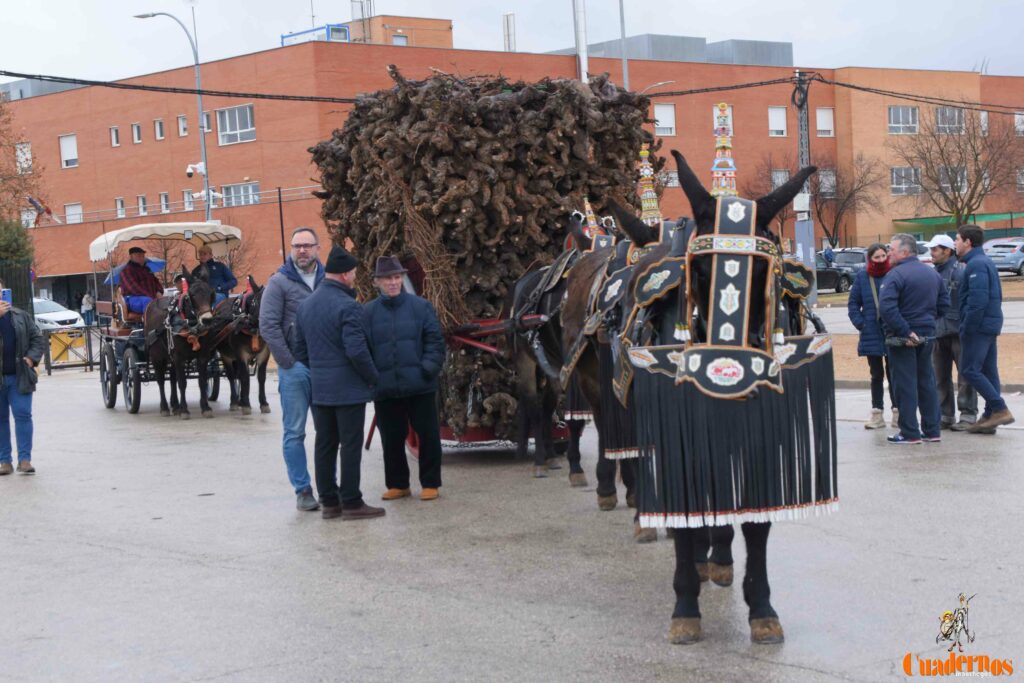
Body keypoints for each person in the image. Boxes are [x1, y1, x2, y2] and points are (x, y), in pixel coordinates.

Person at [295, 245, 383, 520]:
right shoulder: (348, 306)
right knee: (350, 445)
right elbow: (356, 350)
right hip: (348, 390)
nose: (355, 277)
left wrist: (319, 371)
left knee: (325, 444)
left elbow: (299, 349)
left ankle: (330, 503)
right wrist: (373, 378)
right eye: (354, 272)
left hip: (320, 389)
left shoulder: (306, 305)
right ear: (345, 274)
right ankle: (352, 502)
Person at [364, 255, 446, 501]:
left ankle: (430, 482)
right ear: (377, 282)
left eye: (397, 277)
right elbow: (364, 348)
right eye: (388, 278)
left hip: (420, 385)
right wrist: (373, 377)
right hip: (386, 388)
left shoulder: (421, 307)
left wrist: (427, 369)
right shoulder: (367, 312)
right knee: (391, 438)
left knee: (428, 434)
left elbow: (435, 342)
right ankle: (398, 484)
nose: (393, 282)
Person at [259, 227, 324, 512]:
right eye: (297, 246)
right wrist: (288, 363)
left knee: (328, 431)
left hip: (325, 368)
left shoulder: (329, 280)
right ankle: (303, 489)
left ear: (317, 248)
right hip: (295, 368)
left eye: (307, 246)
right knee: (295, 432)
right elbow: (268, 326)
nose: (302, 251)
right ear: (291, 248)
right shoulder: (279, 283)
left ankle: (330, 486)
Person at [878, 233, 949, 445]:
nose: (889, 252)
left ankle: (909, 432)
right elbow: (944, 304)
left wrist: (906, 331)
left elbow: (887, 308)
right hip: (927, 335)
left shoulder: (895, 275)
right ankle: (932, 430)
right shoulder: (932, 274)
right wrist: (926, 323)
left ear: (905, 252)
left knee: (905, 384)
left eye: (892, 249)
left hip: (903, 339)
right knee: (926, 382)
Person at [955, 224, 1015, 432]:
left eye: (957, 239)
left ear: (968, 242)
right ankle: (990, 417)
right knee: (989, 372)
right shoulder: (981, 261)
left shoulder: (977, 265)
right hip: (988, 325)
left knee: (970, 370)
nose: (955, 243)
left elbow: (978, 301)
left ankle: (999, 409)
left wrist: (966, 327)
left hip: (979, 327)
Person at [925, 234, 978, 431]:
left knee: (965, 376)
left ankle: (968, 414)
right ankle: (945, 414)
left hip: (959, 330)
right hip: (938, 331)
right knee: (939, 375)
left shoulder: (961, 270)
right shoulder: (932, 273)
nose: (931, 253)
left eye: (935, 249)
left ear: (947, 251)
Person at [847, 243, 896, 429]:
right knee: (876, 374)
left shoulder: (894, 274)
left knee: (894, 374)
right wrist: (862, 324)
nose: (881, 260)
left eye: (884, 256)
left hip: (892, 330)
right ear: (870, 258)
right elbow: (853, 304)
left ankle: (898, 412)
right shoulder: (862, 277)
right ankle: (877, 414)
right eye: (877, 257)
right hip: (871, 333)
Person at [0, 291, 45, 476]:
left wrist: (31, 359)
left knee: (23, 415)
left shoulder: (21, 316)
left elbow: (37, 338)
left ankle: (25, 460)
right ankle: (4, 461)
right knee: (0, 420)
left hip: (20, 376)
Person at [119, 246, 163, 313]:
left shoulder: (147, 269)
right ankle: (150, 323)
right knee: (147, 301)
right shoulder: (126, 270)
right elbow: (133, 288)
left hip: (151, 297)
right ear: (131, 257)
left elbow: (156, 282)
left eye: (143, 255)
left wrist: (159, 291)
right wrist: (151, 297)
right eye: (138, 255)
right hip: (132, 298)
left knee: (168, 302)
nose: (142, 257)